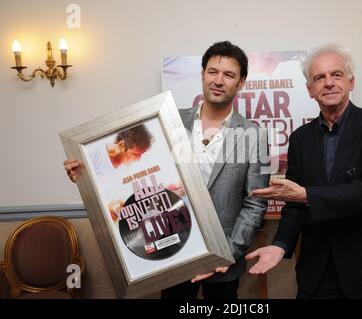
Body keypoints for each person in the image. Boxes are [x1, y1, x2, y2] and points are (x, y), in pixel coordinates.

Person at [64, 41, 270, 299]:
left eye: (229, 74)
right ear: (202, 75)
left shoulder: (254, 135)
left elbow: (255, 204)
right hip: (173, 252)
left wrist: (228, 252)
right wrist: (85, 172)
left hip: (225, 261)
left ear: (240, 83)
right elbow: (133, 166)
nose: (218, 80)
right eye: (212, 72)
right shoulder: (166, 121)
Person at [246, 43, 362, 299]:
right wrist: (280, 244)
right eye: (319, 77)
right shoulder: (299, 139)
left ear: (351, 82)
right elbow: (294, 205)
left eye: (337, 75)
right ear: (310, 90)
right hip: (317, 271)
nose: (328, 83)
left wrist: (306, 195)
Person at [64, 124, 153, 178]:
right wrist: (79, 177)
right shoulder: (93, 153)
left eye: (140, 155)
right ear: (121, 145)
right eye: (135, 154)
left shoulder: (126, 168)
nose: (138, 159)